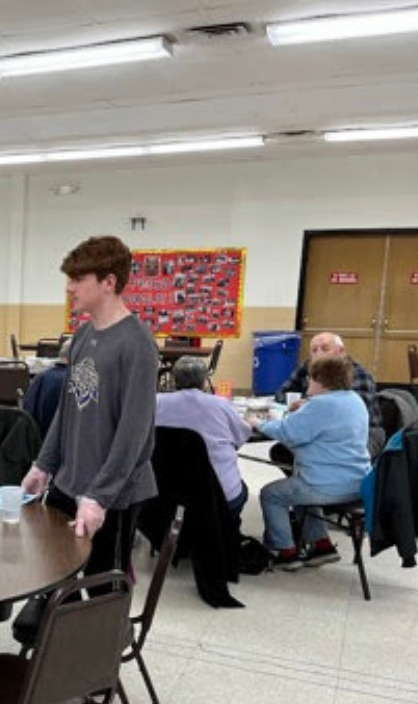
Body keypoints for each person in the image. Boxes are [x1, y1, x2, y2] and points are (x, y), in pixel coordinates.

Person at [20, 234, 158, 574]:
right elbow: (67, 411)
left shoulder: (137, 344)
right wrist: (43, 464)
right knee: (52, 577)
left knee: (101, 593)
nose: (70, 288)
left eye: (79, 279)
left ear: (109, 282)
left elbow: (134, 432)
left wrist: (101, 497)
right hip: (69, 482)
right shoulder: (81, 336)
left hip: (113, 494)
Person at [249, 354, 371, 569]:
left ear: (320, 381)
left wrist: (257, 422)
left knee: (272, 494)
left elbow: (288, 433)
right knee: (298, 488)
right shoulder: (353, 399)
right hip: (358, 481)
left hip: (328, 484)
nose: (307, 382)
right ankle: (320, 545)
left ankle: (284, 551)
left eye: (310, 378)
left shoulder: (321, 405)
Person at [153, 353, 251, 518]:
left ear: (174, 379)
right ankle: (229, 537)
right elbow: (241, 436)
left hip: (165, 492)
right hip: (220, 494)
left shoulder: (155, 403)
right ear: (204, 380)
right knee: (240, 490)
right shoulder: (220, 405)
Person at [278, 332, 382, 449]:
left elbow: (349, 415)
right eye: (314, 350)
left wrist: (308, 405)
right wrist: (296, 403)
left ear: (341, 351)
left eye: (325, 349)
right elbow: (282, 393)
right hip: (319, 427)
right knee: (283, 449)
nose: (319, 354)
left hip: (363, 433)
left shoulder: (358, 374)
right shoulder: (308, 367)